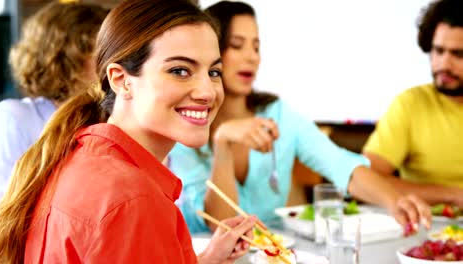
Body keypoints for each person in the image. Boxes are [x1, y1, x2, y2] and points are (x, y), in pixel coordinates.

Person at [0, 0, 257, 262]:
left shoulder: (80, 156)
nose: (207, 91)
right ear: (121, 80)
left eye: (214, 71)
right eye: (180, 71)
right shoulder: (134, 199)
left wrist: (207, 258)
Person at [169, 0, 431, 234]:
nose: (252, 57)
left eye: (256, 47)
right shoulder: (187, 124)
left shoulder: (278, 114)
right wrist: (223, 143)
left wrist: (394, 200)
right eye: (237, 46)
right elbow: (222, 226)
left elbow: (340, 165)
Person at [0, 1, 108, 204]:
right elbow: (2, 206)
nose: (112, 61)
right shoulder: (15, 117)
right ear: (66, 57)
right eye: (100, 51)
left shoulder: (109, 117)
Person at [363, 0, 463, 208]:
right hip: (429, 232)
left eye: (458, 54)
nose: (444, 64)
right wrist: (453, 195)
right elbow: (367, 181)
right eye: (438, 51)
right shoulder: (410, 105)